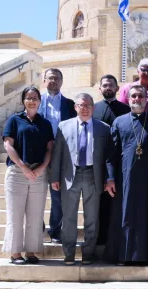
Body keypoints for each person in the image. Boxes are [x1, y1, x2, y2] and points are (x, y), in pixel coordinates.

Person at [103, 85, 148, 265]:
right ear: (128, 99)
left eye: (140, 96)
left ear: (146, 98)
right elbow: (111, 154)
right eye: (133, 96)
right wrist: (109, 178)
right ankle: (123, 255)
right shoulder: (119, 122)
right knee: (125, 215)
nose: (137, 99)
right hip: (125, 179)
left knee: (147, 216)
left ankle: (147, 255)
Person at [50, 93, 112, 265]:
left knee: (92, 217)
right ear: (75, 107)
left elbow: (107, 156)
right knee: (68, 216)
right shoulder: (64, 126)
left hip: (93, 175)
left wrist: (108, 179)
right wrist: (54, 177)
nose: (84, 109)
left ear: (93, 108)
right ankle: (68, 253)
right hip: (71, 175)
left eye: (88, 105)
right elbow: (57, 154)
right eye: (81, 105)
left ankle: (88, 253)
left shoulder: (103, 128)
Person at [2, 86, 54, 265]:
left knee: (35, 215)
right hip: (17, 173)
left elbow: (50, 149)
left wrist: (42, 167)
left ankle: (31, 252)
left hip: (38, 174)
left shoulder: (45, 123)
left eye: (35, 98)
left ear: (40, 101)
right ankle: (15, 253)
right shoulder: (14, 120)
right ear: (23, 100)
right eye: (28, 98)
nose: (32, 101)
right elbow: (8, 146)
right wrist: (23, 167)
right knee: (15, 215)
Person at [37, 68, 77, 243]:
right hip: (38, 154)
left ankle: (55, 230)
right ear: (44, 80)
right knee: (36, 195)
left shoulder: (69, 104)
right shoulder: (36, 101)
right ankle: (37, 229)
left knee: (58, 196)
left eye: (57, 78)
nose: (53, 81)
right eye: (50, 78)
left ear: (62, 81)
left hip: (61, 155)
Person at [92, 74, 131, 245]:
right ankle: (99, 238)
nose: (108, 88)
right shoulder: (92, 109)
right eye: (105, 85)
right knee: (98, 202)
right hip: (96, 162)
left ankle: (115, 238)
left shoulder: (125, 109)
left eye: (111, 85)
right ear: (99, 89)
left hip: (119, 163)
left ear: (117, 88)